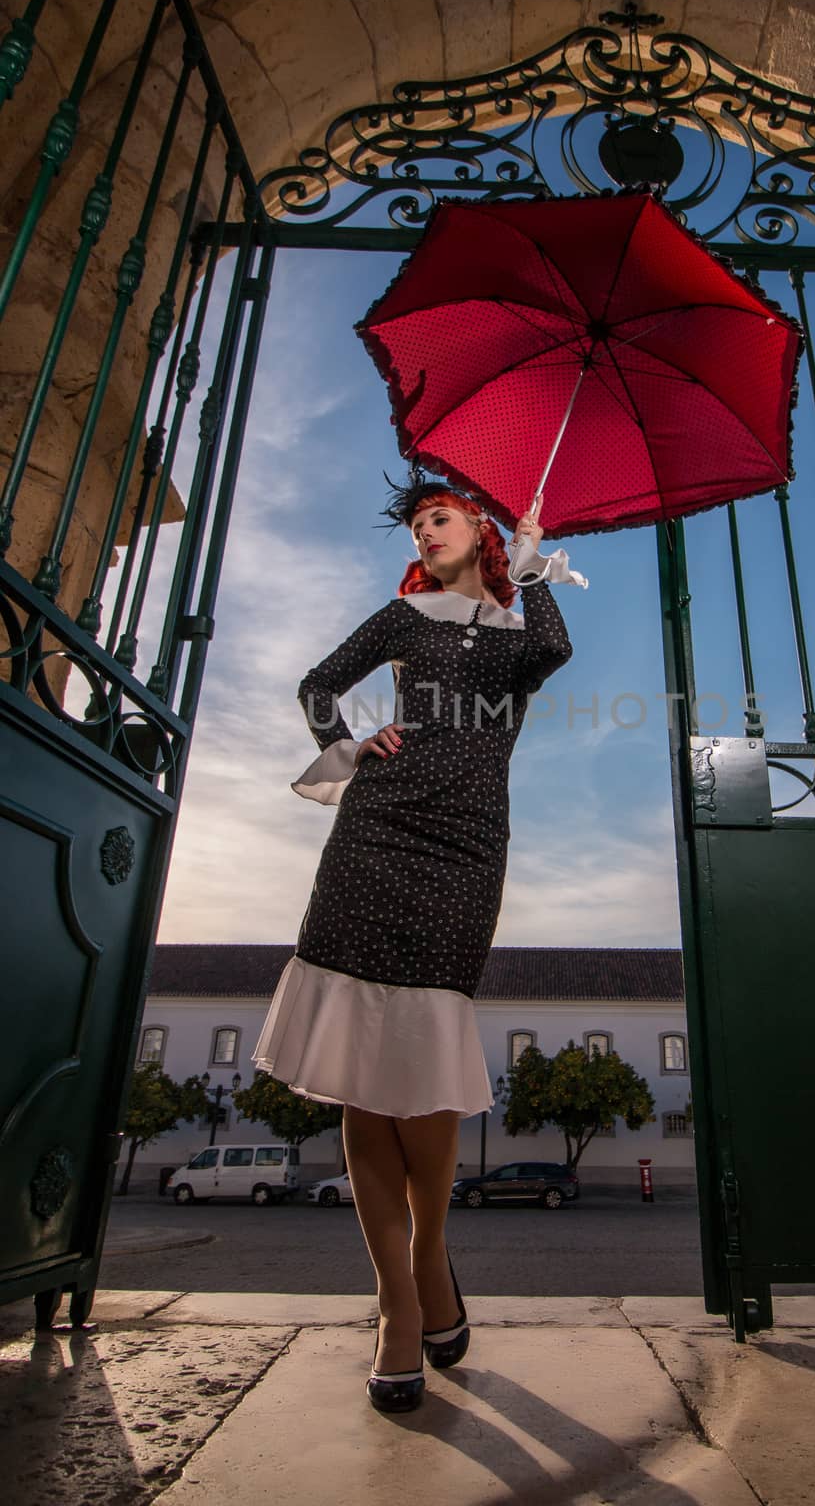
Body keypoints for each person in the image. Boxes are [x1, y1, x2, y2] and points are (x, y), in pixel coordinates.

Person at [251, 471, 585, 1414]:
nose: (422, 526)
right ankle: (400, 1305)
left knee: (423, 1061)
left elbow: (552, 650)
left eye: (438, 513)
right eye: (414, 519)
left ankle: (429, 1257)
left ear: (476, 525)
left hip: (466, 843)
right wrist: (353, 745)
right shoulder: (400, 621)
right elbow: (319, 684)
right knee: (364, 1070)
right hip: (376, 831)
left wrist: (531, 566)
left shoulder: (519, 631)